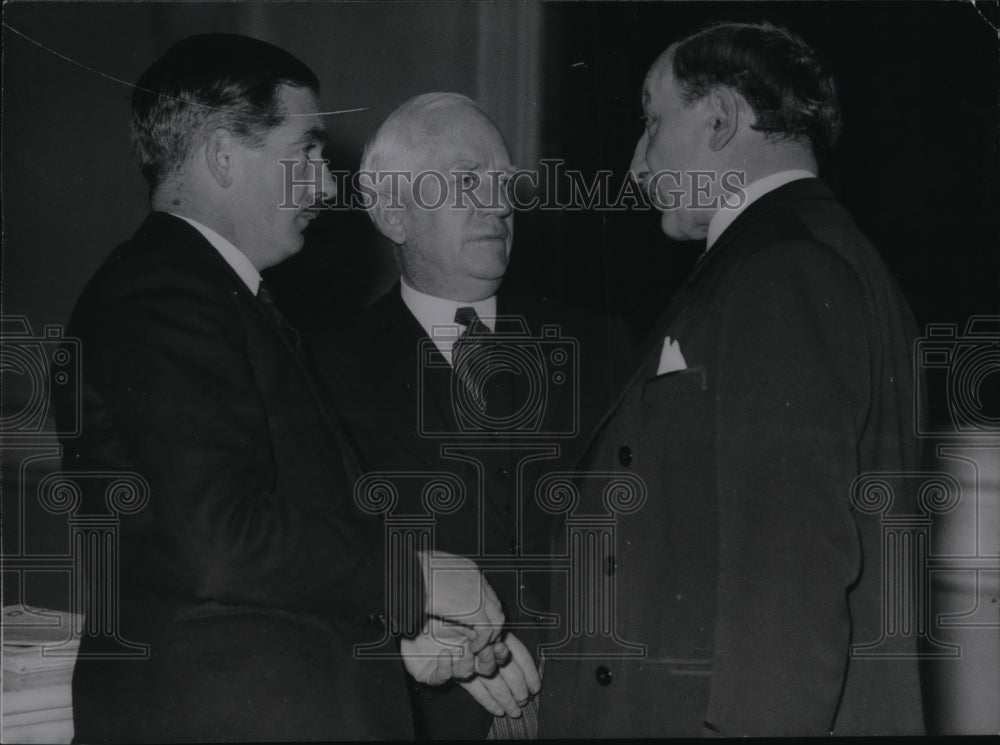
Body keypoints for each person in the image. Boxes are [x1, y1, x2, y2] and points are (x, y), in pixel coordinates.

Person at [56, 35, 506, 743]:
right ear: (223, 154)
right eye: (307, 154)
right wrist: (412, 579)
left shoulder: (207, 294)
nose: (326, 186)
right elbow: (222, 538)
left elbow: (224, 556)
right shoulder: (164, 295)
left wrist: (390, 636)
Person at [538, 21, 925, 737]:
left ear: (719, 117)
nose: (636, 164)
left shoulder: (781, 269)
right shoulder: (820, 253)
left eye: (653, 122)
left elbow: (789, 585)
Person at [310, 92, 636, 739]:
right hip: (428, 718)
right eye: (466, 181)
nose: (499, 204)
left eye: (505, 183)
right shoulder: (321, 374)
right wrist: (443, 657)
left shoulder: (604, 346)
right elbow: (321, 569)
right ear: (392, 213)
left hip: (596, 708)